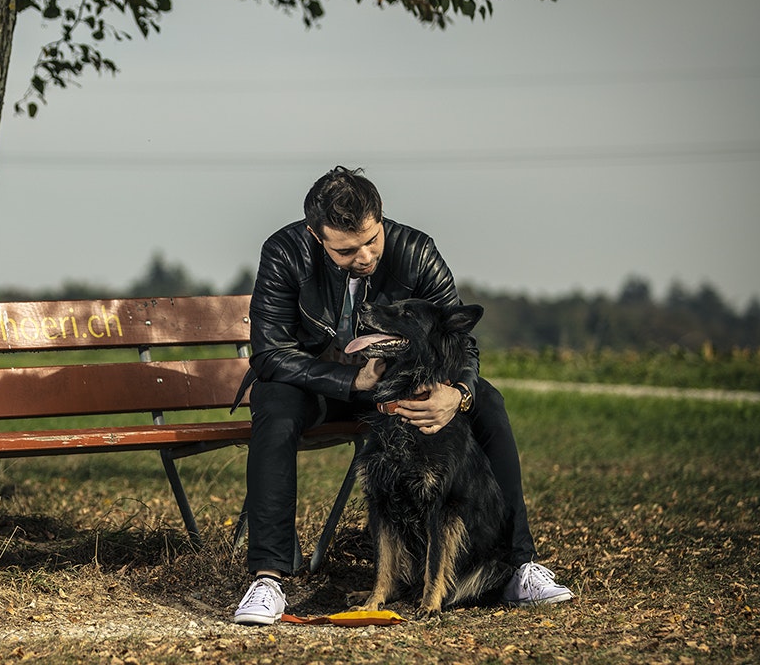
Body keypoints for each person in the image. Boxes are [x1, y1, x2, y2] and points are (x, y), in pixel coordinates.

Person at [231, 166, 573, 626]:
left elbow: (460, 340)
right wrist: (351, 382)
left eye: (372, 240)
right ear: (316, 235)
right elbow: (270, 354)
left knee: (488, 401)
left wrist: (458, 392)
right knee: (274, 402)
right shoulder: (285, 251)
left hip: (403, 385)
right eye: (346, 250)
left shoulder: (417, 251)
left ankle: (519, 565)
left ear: (381, 217)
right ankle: (268, 580)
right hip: (322, 384)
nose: (366, 256)